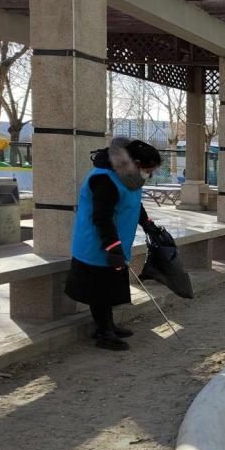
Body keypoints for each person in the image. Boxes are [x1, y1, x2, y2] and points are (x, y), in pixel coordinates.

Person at [65, 137, 163, 351]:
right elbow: (102, 217)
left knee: (109, 288)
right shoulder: (104, 179)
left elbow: (134, 203)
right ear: (136, 163)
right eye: (148, 170)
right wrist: (112, 247)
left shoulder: (130, 178)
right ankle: (103, 333)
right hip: (97, 244)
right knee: (100, 290)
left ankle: (108, 325)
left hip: (116, 242)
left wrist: (147, 224)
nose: (150, 174)